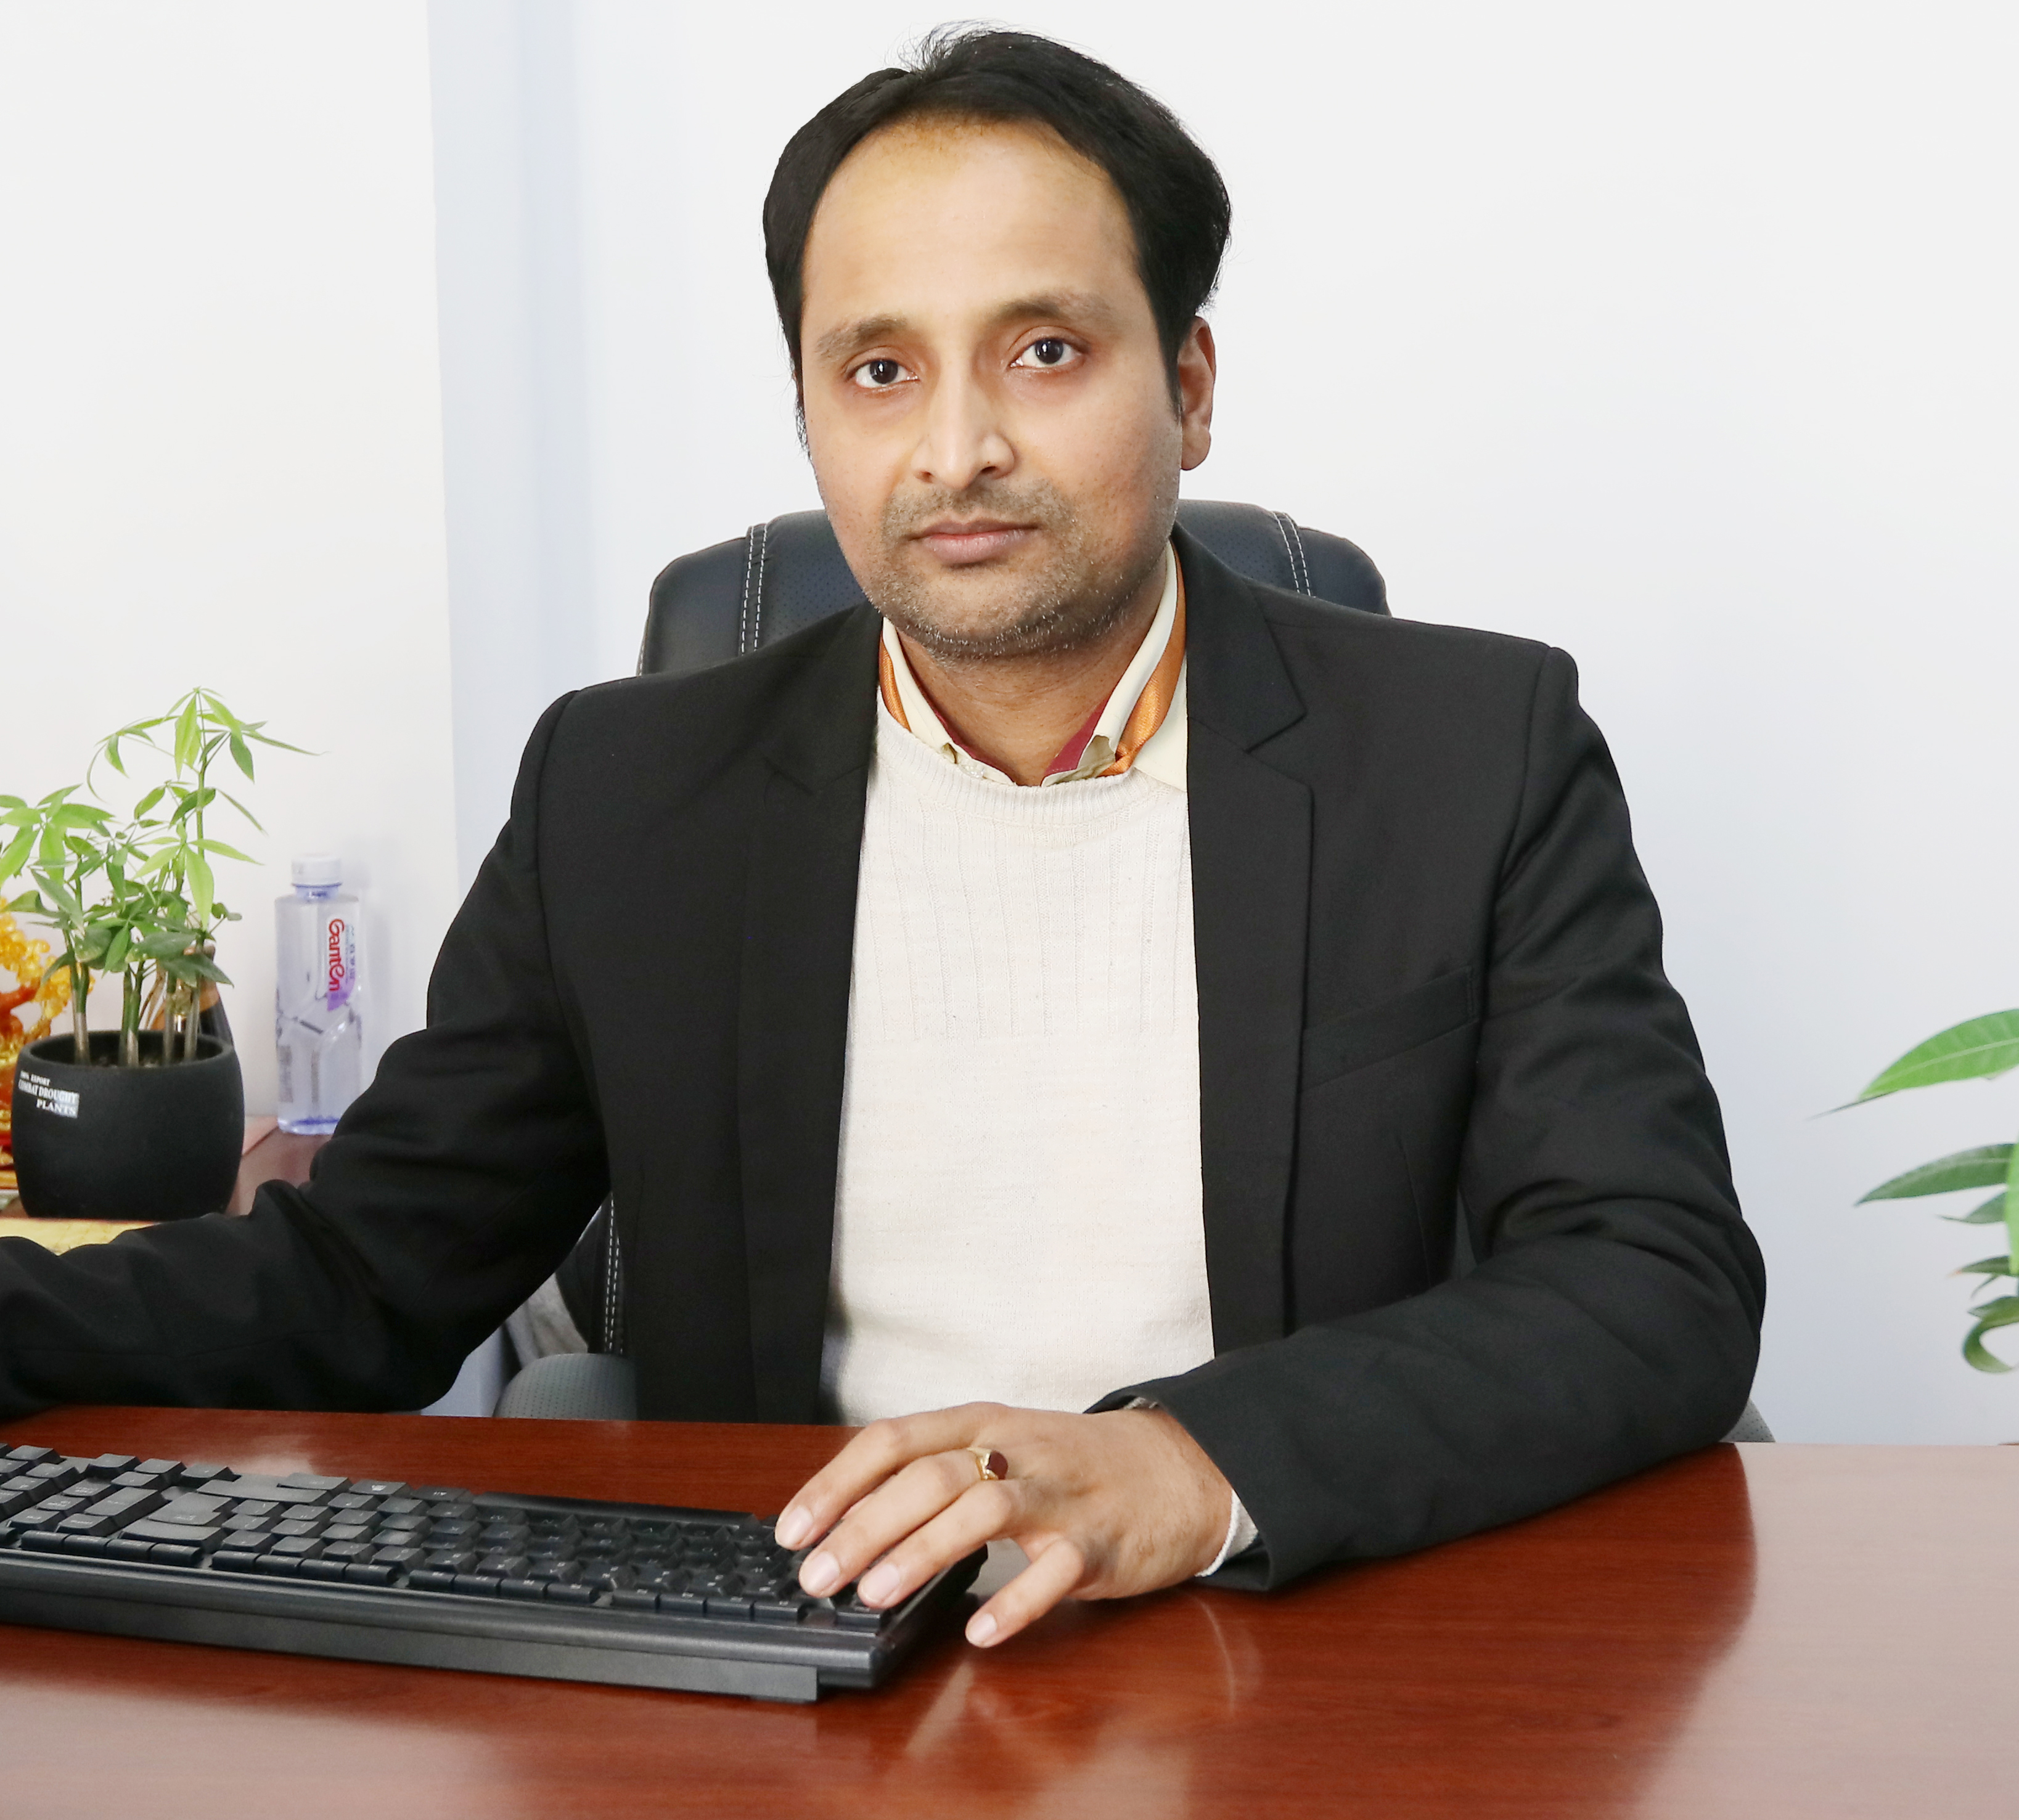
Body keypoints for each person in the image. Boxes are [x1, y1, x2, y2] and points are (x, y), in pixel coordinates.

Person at [0, 28, 1764, 1651]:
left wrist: (1190, 1460)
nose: (958, 447)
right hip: (803, 1647)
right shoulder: (628, 797)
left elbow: (1650, 1274)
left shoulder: (1471, 753)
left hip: (1287, 1629)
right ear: (810, 412)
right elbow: (360, 1276)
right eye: (878, 369)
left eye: (1046, 351)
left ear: (1190, 383)